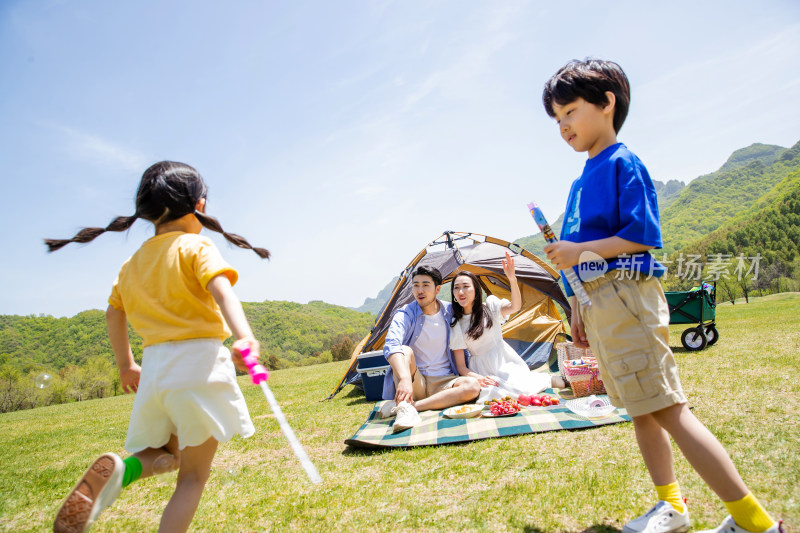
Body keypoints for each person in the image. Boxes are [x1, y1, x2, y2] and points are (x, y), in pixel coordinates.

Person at [541, 59, 780, 533]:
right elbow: (578, 257)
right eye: (556, 119)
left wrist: (578, 249)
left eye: (569, 110)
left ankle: (756, 523)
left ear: (607, 103)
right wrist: (577, 306)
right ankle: (672, 506)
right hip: (598, 301)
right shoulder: (579, 179)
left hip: (627, 295)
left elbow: (642, 236)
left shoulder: (621, 162)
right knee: (641, 410)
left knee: (668, 408)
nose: (563, 125)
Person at [47, 161, 270, 533]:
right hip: (199, 364)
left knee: (168, 455)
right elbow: (221, 289)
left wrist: (126, 365)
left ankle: (125, 469)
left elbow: (113, 314)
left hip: (154, 372)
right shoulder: (196, 245)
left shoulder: (132, 264)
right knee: (193, 478)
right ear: (199, 205)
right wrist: (243, 336)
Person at [449, 255, 566, 404]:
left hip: (504, 360)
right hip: (480, 368)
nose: (461, 292)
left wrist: (512, 279)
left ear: (476, 289)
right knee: (493, 394)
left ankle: (547, 379)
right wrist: (479, 378)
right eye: (456, 288)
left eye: (466, 286)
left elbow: (515, 307)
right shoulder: (456, 324)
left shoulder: (490, 307)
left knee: (519, 388)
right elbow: (461, 367)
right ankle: (545, 381)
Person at [380, 265, 481, 433]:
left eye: (426, 285)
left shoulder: (451, 311)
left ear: (438, 289)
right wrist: (405, 379)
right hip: (415, 381)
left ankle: (411, 406)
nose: (420, 290)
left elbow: (475, 315)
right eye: (416, 285)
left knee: (472, 386)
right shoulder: (405, 313)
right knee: (404, 350)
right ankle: (407, 405)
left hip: (444, 381)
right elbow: (391, 344)